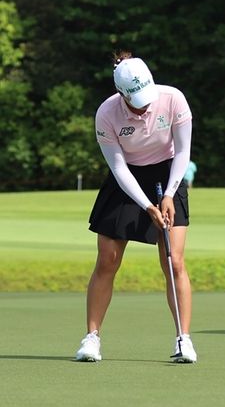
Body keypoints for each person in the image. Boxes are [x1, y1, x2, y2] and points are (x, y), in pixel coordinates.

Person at [74, 51, 197, 362]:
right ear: (121, 94)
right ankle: (92, 338)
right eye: (136, 99)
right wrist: (146, 206)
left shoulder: (173, 99)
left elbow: (183, 151)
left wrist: (168, 194)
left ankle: (184, 340)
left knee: (175, 261)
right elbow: (118, 169)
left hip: (168, 173)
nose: (144, 104)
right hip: (127, 177)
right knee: (107, 260)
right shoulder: (107, 114)